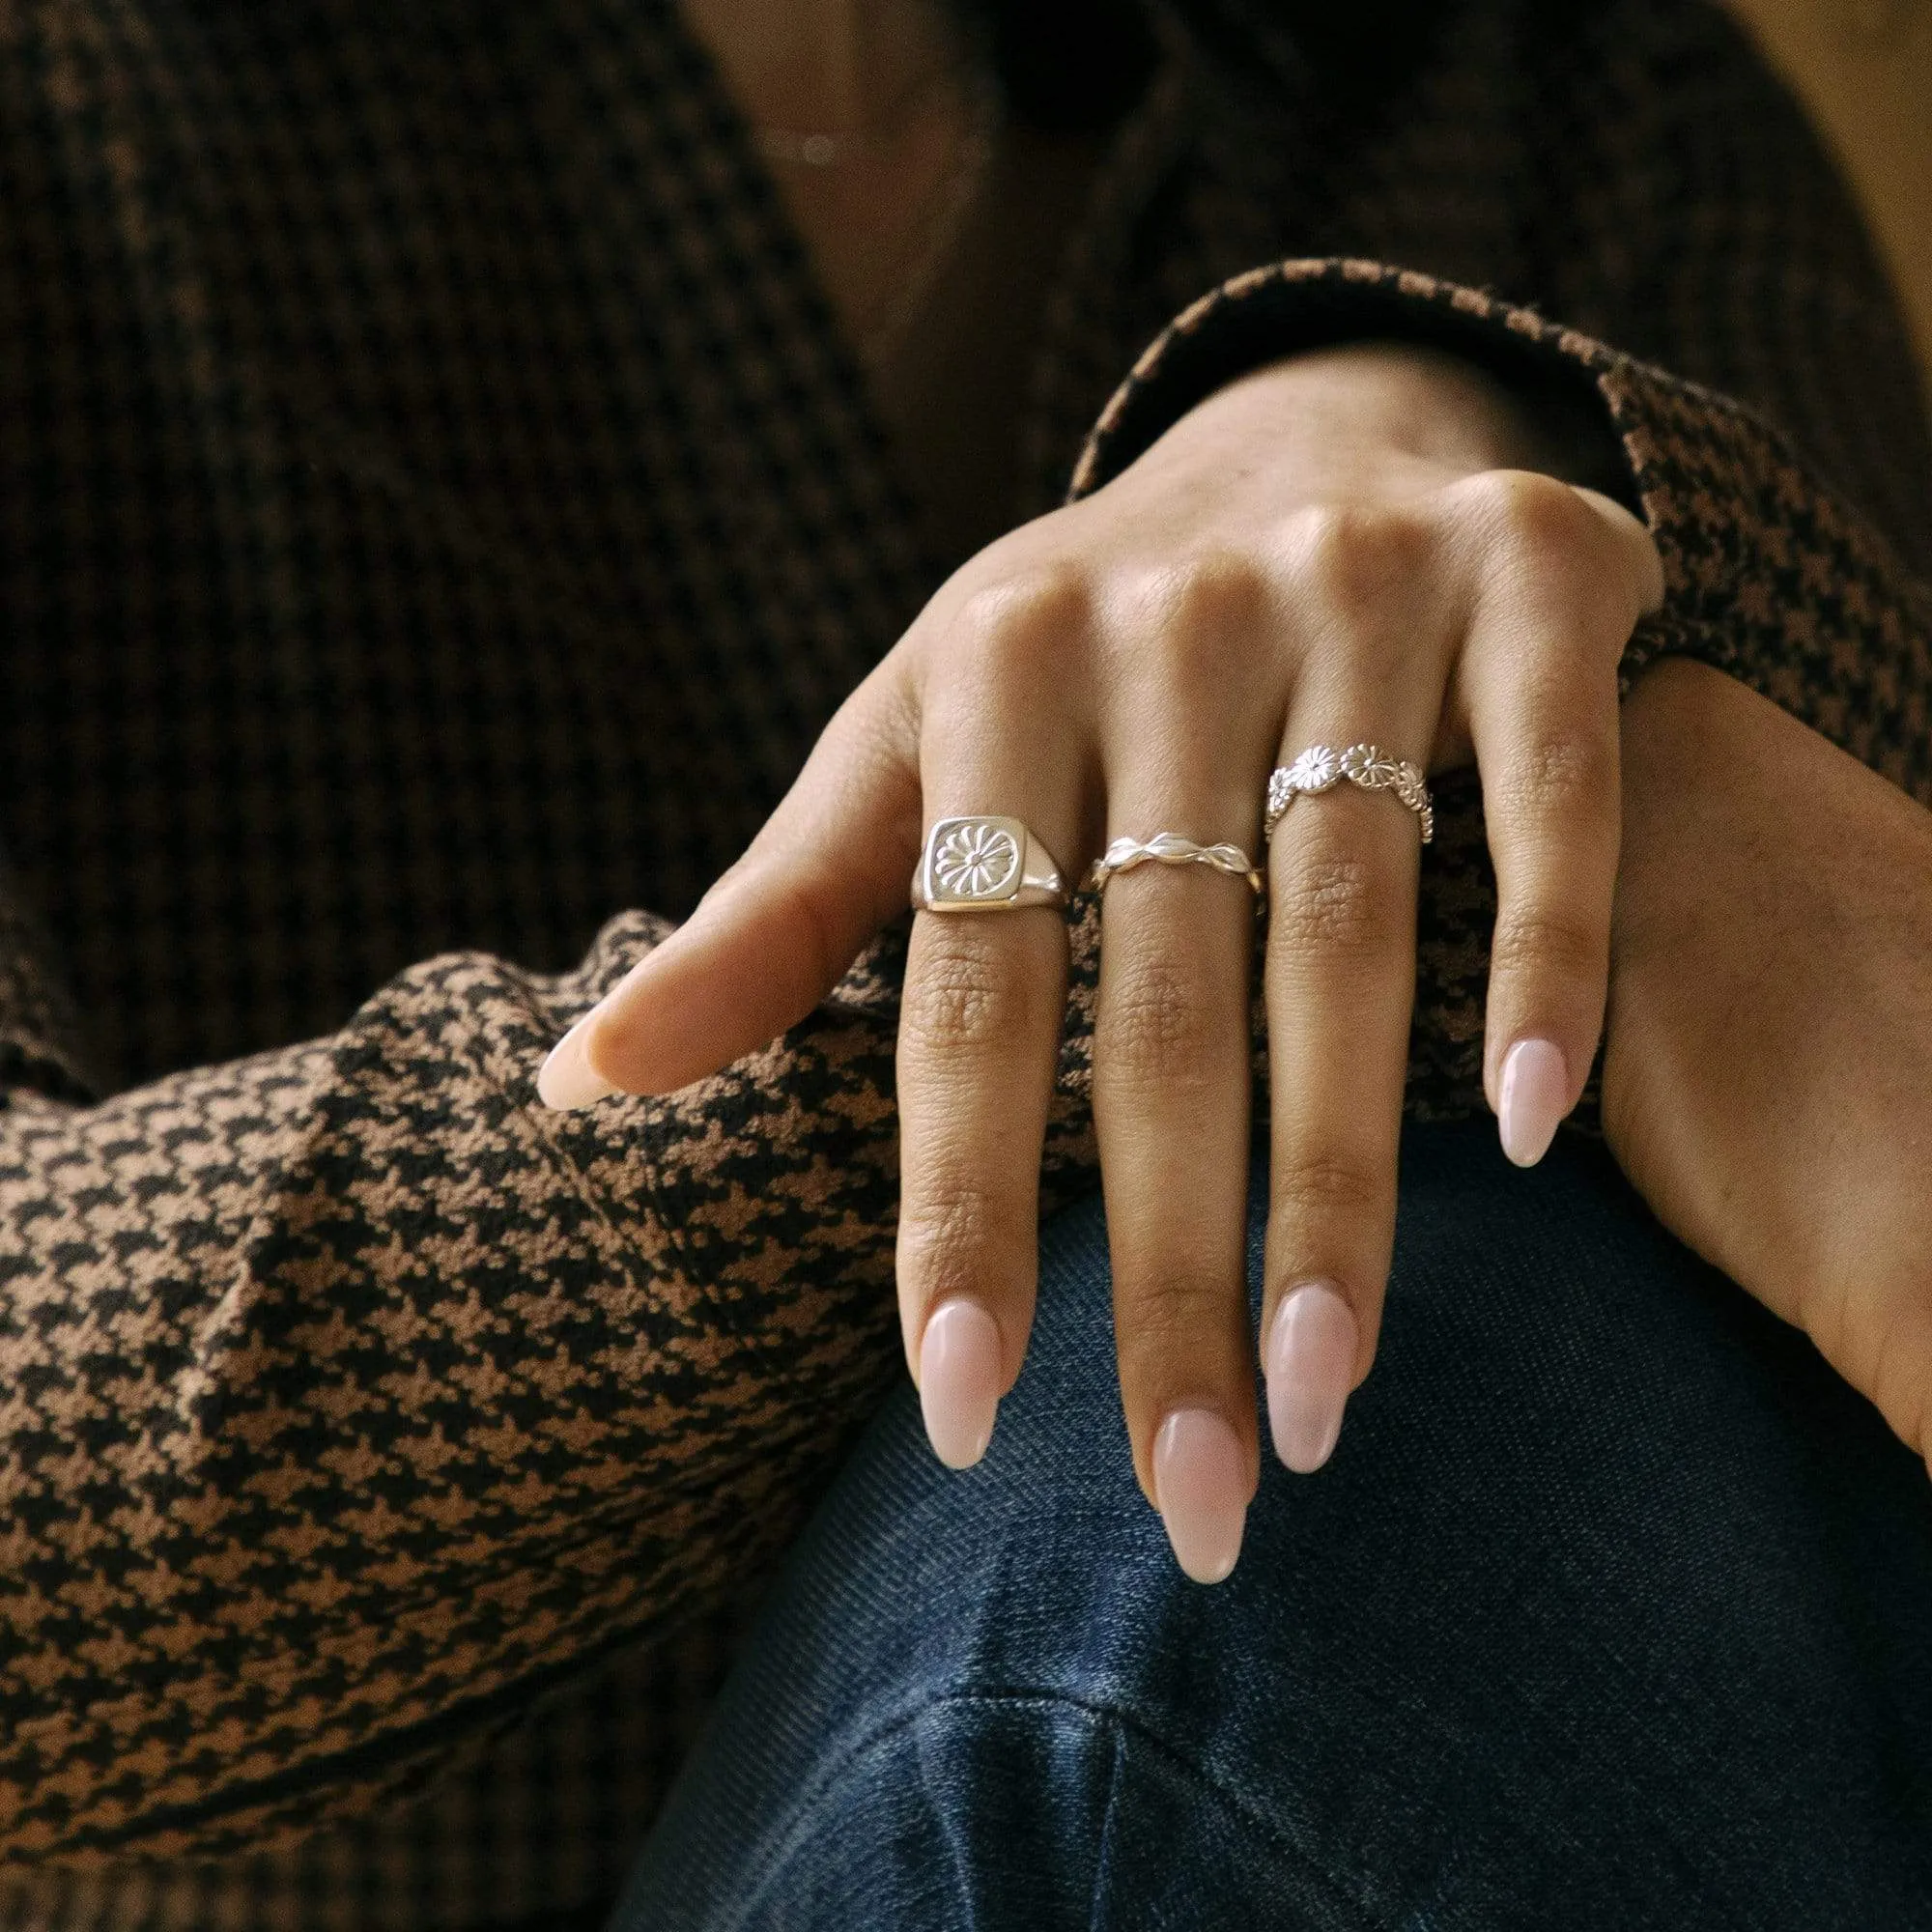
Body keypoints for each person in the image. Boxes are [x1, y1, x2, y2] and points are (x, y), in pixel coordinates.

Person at [0, 0, 1926, 1927]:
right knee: (1119, 1601)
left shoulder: (1545, 79)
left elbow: (1858, 972)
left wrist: (1416, 406)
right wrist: (1370, 908)